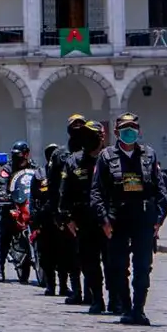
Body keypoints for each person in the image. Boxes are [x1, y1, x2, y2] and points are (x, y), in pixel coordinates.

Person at [91, 112, 167, 325]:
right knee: (117, 266)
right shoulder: (106, 157)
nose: (129, 132)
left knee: (143, 266)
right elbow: (97, 191)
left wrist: (159, 218)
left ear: (139, 131)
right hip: (117, 218)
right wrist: (104, 220)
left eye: (133, 127)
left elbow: (159, 187)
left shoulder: (149, 155)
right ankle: (125, 307)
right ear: (116, 132)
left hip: (143, 216)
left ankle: (138, 309)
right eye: (125, 128)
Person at [59, 121, 108, 314]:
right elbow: (65, 191)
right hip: (83, 219)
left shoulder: (110, 158)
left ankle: (117, 299)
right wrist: (66, 217)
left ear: (102, 136)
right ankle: (97, 298)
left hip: (107, 218)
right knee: (89, 261)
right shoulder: (74, 161)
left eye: (92, 134)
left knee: (114, 261)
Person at [50, 115, 88, 302]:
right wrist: (57, 213)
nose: (78, 128)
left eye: (82, 125)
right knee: (69, 253)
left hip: (88, 210)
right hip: (68, 210)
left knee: (88, 253)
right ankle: (76, 291)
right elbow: (53, 185)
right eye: (75, 125)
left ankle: (91, 292)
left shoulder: (93, 152)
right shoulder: (60, 154)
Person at [0, 141, 36, 282]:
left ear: (26, 154)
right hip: (11, 205)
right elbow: (1, 182)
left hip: (28, 204)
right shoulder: (7, 168)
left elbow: (37, 180)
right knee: (5, 234)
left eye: (20, 155)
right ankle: (0, 269)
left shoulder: (33, 167)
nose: (17, 158)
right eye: (15, 155)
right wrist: (2, 194)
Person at [30, 144, 61, 296]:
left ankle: (63, 285)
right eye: (49, 153)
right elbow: (33, 197)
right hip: (44, 219)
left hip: (60, 218)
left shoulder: (63, 170)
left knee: (63, 253)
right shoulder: (39, 174)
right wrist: (34, 221)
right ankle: (50, 284)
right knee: (46, 255)